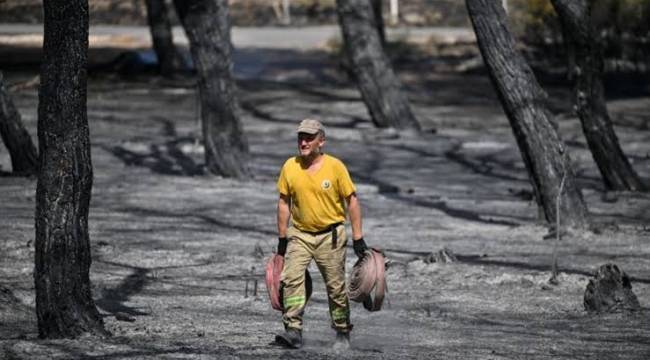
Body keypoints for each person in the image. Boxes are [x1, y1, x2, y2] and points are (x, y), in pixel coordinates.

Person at [274, 118, 369, 350]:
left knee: (335, 288)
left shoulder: (335, 167)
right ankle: (293, 330)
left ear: (321, 141)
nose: (303, 142)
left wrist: (358, 238)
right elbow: (284, 203)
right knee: (291, 279)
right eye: (300, 137)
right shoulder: (290, 166)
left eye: (309, 137)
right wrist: (282, 238)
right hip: (300, 234)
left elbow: (352, 201)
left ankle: (342, 331)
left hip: (331, 236)